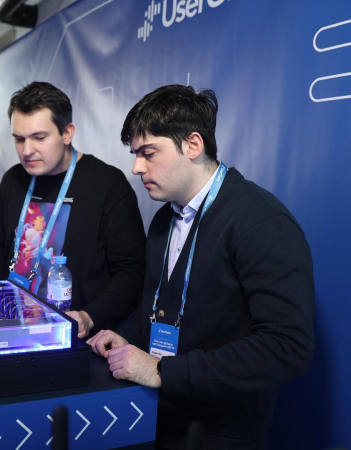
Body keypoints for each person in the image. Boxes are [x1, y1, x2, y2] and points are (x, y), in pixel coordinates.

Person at [87, 85, 315, 450]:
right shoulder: (164, 219)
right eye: (135, 154)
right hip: (155, 417)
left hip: (220, 432)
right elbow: (158, 305)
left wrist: (162, 371)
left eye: (148, 153)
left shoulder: (260, 220)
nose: (136, 167)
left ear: (193, 145)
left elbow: (288, 346)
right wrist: (127, 334)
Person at [0, 82, 146, 339]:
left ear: (67, 133)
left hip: (78, 340)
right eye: (19, 139)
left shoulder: (108, 184)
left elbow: (132, 273)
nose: (27, 151)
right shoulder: (12, 180)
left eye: (39, 138)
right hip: (13, 330)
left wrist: (89, 317)